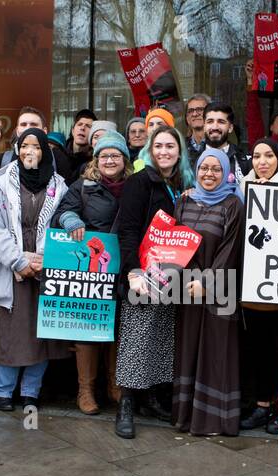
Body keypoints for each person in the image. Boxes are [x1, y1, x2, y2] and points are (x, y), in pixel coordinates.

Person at [111, 125, 194, 438]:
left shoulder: (183, 183)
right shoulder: (139, 181)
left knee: (160, 337)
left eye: (170, 146)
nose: (164, 152)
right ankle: (126, 405)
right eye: (158, 146)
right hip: (142, 273)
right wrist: (132, 272)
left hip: (170, 271)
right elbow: (128, 229)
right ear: (149, 149)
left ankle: (151, 398)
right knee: (136, 338)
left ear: (179, 151)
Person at [0, 128, 72, 411]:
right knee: (13, 333)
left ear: (45, 151)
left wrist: (43, 260)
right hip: (14, 271)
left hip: (46, 270)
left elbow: (60, 225)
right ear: (18, 149)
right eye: (25, 146)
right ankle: (1, 389)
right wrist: (19, 261)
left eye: (36, 146)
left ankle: (30, 392)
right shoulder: (1, 183)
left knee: (42, 334)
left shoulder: (59, 185)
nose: (30, 151)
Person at [56, 131, 133, 415]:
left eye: (115, 155)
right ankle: (85, 390)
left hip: (124, 267)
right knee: (89, 328)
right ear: (96, 159)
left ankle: (115, 384)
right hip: (92, 270)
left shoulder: (134, 185)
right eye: (104, 155)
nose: (109, 160)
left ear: (124, 159)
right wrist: (71, 220)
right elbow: (62, 211)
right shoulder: (83, 186)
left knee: (117, 328)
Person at [172, 148, 245, 436]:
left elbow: (231, 248)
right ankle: (185, 417)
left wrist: (208, 282)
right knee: (189, 348)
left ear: (225, 172)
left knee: (216, 352)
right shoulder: (184, 201)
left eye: (216, 169)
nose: (209, 174)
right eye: (204, 168)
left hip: (218, 290)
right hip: (186, 289)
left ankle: (214, 421)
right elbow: (175, 241)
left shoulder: (232, 205)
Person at [239, 139, 278, 433]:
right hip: (254, 283)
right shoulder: (243, 189)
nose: (262, 161)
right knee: (258, 348)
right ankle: (263, 405)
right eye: (256, 156)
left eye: (268, 155)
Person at [198, 102, 252, 180]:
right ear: (204, 126)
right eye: (210, 121)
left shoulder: (244, 160)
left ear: (230, 128)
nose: (215, 127)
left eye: (221, 122)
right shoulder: (190, 160)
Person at [65, 109, 97, 176]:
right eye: (79, 124)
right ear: (73, 131)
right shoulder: (60, 154)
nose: (82, 128)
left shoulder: (95, 161)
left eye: (88, 126)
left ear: (93, 134)